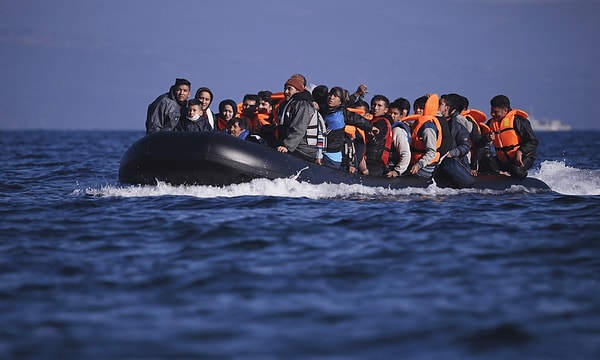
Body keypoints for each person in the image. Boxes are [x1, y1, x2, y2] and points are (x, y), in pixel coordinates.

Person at [319, 86, 377, 170]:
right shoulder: (322, 109)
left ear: (340, 102)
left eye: (335, 96)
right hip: (320, 152)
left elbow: (358, 119)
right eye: (330, 94)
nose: (331, 97)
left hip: (332, 156)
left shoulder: (343, 114)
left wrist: (370, 127)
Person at [275, 75, 324, 163]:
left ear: (297, 90)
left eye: (289, 89)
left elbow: (299, 128)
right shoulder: (289, 104)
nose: (286, 92)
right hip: (295, 145)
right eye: (285, 89)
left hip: (303, 149)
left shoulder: (303, 105)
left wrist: (287, 146)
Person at [488, 94, 538, 178]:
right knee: (483, 165)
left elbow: (533, 141)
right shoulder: (491, 123)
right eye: (491, 111)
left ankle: (522, 175)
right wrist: (486, 138)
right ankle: (501, 174)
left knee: (516, 170)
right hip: (503, 160)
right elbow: (481, 139)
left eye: (496, 112)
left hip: (523, 157)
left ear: (505, 110)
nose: (492, 114)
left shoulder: (519, 121)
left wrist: (520, 151)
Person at [408, 94, 447, 178]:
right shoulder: (417, 123)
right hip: (416, 163)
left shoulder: (428, 128)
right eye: (415, 107)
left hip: (427, 166)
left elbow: (431, 152)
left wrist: (419, 165)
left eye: (421, 108)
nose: (417, 110)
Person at [364, 95, 393, 176]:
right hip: (379, 162)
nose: (375, 108)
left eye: (379, 105)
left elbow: (375, 136)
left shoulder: (380, 123)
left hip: (372, 161)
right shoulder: (385, 121)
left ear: (385, 110)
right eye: (374, 105)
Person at [386, 98, 412, 177]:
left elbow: (406, 154)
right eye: (390, 113)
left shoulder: (398, 131)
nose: (392, 116)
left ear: (401, 116)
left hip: (393, 168)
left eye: (395, 113)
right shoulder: (387, 127)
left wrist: (397, 171)